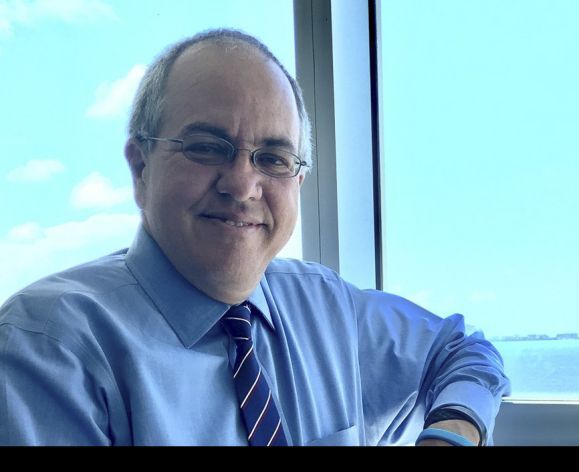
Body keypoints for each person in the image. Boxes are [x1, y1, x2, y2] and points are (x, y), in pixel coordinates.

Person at [0, 29, 509, 446]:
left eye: (272, 158)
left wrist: (454, 431)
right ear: (140, 168)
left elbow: (463, 350)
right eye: (206, 147)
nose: (243, 185)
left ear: (298, 182)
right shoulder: (46, 348)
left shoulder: (327, 307)